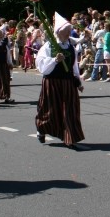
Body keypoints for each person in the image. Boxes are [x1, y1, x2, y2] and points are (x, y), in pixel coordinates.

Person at [35, 13, 85, 148]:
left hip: (68, 83)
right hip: (52, 82)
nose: (69, 33)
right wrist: (54, 60)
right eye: (67, 31)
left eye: (69, 30)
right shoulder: (48, 46)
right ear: (59, 32)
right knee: (50, 110)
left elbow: (74, 66)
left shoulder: (71, 48)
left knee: (70, 110)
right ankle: (42, 129)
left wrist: (79, 82)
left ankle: (69, 137)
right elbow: (41, 66)